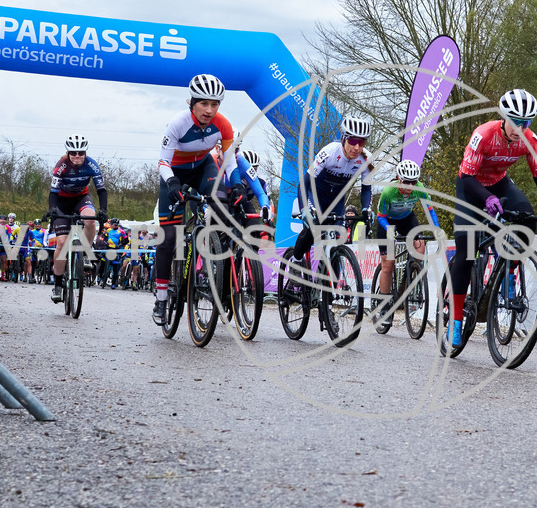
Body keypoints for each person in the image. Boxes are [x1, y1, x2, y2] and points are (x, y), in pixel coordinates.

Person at [445, 89, 537, 350]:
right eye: (516, 121)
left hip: (500, 184)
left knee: (528, 221)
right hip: (471, 187)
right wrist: (485, 198)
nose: (520, 128)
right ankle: (454, 320)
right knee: (466, 252)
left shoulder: (530, 140)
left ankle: (507, 272)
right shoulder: (484, 134)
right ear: (504, 117)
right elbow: (466, 177)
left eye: (526, 123)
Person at [152, 74, 271, 325]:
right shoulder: (177, 124)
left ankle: (209, 259)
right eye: (204, 103)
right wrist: (173, 183)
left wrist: (237, 185)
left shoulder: (223, 126)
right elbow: (163, 161)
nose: (209, 110)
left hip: (203, 167)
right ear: (192, 102)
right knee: (169, 238)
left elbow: (228, 162)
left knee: (219, 203)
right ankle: (161, 297)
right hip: (174, 172)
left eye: (215, 104)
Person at [287, 116, 374, 266]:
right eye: (353, 141)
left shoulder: (367, 159)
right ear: (343, 138)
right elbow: (304, 183)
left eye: (362, 142)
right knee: (314, 228)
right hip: (315, 195)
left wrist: (367, 208)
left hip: (336, 200)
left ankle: (331, 287)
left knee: (338, 241)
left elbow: (366, 189)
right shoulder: (328, 152)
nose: (357, 147)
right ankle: (296, 260)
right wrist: (305, 209)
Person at [374, 160, 440, 325]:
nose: (410, 186)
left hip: (406, 219)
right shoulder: (389, 191)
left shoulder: (419, 188)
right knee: (388, 264)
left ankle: (410, 276)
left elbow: (430, 211)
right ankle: (384, 305)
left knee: (420, 246)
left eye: (413, 182)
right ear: (398, 178)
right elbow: (380, 216)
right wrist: (391, 231)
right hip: (386, 222)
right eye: (406, 182)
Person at [48, 135, 108, 303]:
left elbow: (101, 190)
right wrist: (52, 209)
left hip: (81, 198)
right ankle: (58, 285)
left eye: (81, 153)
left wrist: (103, 210)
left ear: (85, 153)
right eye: (73, 153)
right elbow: (52, 193)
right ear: (68, 153)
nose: (77, 157)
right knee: (61, 244)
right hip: (62, 202)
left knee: (90, 220)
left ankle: (86, 253)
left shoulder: (91, 164)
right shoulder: (61, 166)